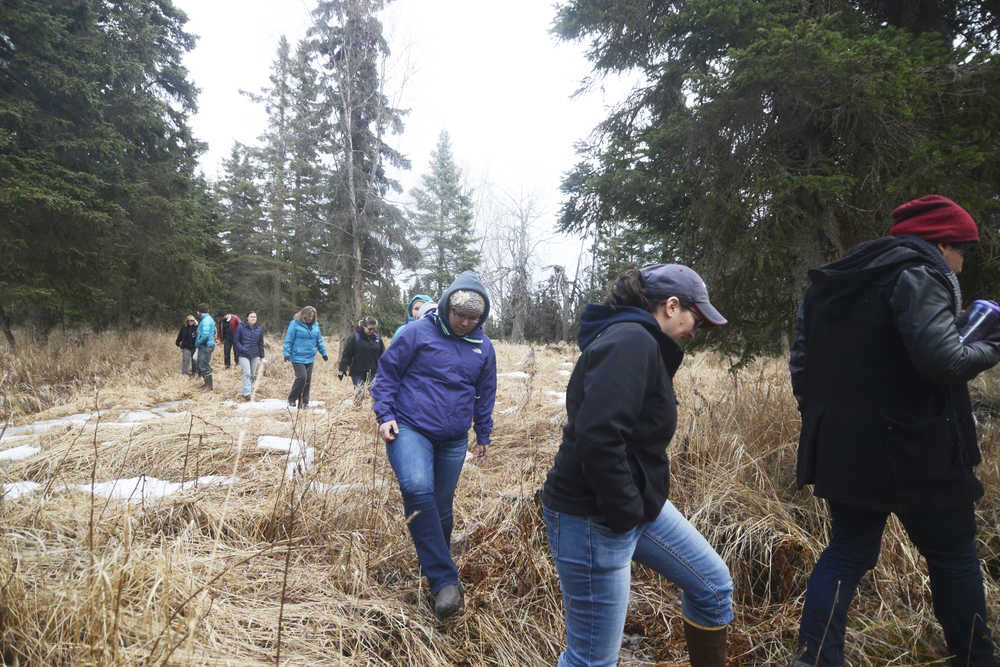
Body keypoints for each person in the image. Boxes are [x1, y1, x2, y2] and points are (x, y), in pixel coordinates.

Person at [790, 195, 1000, 666]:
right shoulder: (920, 273)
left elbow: (802, 366)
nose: (962, 266)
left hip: (846, 452)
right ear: (941, 243)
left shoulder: (835, 279)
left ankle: (814, 659)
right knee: (953, 556)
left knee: (846, 553)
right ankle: (975, 659)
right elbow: (944, 361)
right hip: (921, 453)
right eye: (962, 252)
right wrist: (992, 343)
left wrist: (833, 422)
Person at [542, 264, 734, 667]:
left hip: (636, 505)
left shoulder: (643, 342)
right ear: (671, 305)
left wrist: (636, 505)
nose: (694, 330)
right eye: (694, 319)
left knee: (713, 587)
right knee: (590, 661)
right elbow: (599, 434)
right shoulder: (631, 341)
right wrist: (625, 510)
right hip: (593, 516)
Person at [371, 272, 497, 621]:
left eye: (474, 319)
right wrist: (384, 414)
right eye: (460, 315)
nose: (466, 323)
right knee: (417, 488)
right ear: (446, 307)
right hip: (410, 426)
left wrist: (483, 434)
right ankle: (444, 580)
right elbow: (387, 374)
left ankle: (432, 570)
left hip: (454, 438)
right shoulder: (416, 332)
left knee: (441, 509)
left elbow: (485, 394)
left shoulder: (483, 347)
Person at [282, 306, 328, 409]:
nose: (310, 318)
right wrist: (286, 353)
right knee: (302, 377)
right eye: (308, 316)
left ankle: (303, 403)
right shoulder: (294, 324)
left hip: (310, 356)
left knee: (308, 380)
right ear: (303, 315)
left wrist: (323, 353)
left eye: (312, 316)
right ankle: (292, 398)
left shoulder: (316, 325)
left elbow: (319, 340)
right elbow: (288, 339)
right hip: (297, 356)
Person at [338, 316, 385, 388]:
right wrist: (342, 369)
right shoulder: (355, 338)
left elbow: (383, 355)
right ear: (364, 327)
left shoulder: (377, 339)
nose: (372, 331)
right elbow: (347, 354)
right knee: (359, 394)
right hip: (358, 372)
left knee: (373, 394)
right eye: (370, 329)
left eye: (374, 329)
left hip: (373, 372)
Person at [234, 311, 265, 401]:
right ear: (247, 318)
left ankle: (251, 391)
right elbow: (236, 341)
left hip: (255, 355)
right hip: (243, 355)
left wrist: (262, 356)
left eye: (255, 317)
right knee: (247, 373)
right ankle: (246, 393)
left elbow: (260, 343)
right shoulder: (240, 327)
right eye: (251, 316)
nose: (253, 318)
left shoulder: (259, 329)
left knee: (252, 373)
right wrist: (242, 349)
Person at [194, 303, 216, 392]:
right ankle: (206, 384)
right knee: (201, 364)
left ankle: (209, 387)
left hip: (206, 345)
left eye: (198, 311)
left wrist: (198, 343)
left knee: (204, 365)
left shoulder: (206, 320)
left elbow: (205, 335)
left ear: (200, 312)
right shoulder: (206, 319)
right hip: (205, 345)